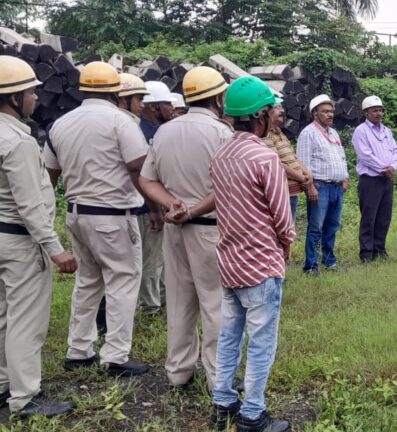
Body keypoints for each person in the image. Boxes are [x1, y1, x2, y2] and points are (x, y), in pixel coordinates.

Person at [45, 61, 151, 377]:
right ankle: (116, 356)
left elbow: (49, 174)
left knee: (88, 282)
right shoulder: (121, 122)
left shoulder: (61, 123)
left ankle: (78, 350)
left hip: (77, 214)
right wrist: (155, 207)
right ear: (116, 91)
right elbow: (138, 167)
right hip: (114, 215)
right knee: (122, 281)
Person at [138, 66, 232, 391]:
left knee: (179, 301)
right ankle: (220, 377)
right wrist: (190, 210)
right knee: (216, 301)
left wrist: (171, 204)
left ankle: (178, 371)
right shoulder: (222, 134)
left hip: (174, 230)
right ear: (219, 97)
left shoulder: (164, 131)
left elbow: (146, 179)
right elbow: (227, 188)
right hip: (209, 228)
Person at [209, 76, 294, 432]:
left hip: (229, 262)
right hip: (261, 263)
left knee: (230, 335)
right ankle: (253, 413)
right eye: (270, 111)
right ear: (259, 115)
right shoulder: (265, 157)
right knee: (261, 341)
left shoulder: (221, 155)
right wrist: (287, 242)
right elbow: (281, 213)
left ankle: (223, 402)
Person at [0, 55, 77, 418]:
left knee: (2, 317)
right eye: (29, 92)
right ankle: (26, 397)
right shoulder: (18, 142)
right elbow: (30, 204)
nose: (35, 98)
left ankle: (4, 386)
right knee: (26, 322)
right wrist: (55, 249)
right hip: (19, 242)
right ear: (13, 98)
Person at [138, 81, 178, 314]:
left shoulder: (158, 131)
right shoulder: (146, 132)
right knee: (151, 258)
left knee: (160, 257)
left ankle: (162, 299)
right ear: (154, 107)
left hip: (157, 202)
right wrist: (155, 207)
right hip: (147, 205)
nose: (171, 108)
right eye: (167, 104)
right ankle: (150, 306)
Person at [297, 95, 348, 272]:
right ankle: (311, 266)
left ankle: (329, 261)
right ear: (315, 113)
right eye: (325, 111)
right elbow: (303, 163)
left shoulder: (333, 133)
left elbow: (341, 156)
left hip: (336, 186)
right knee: (316, 227)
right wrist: (309, 186)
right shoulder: (308, 133)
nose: (330, 114)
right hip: (319, 186)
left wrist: (345, 177)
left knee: (332, 226)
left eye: (331, 111)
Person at [352, 96, 397, 263]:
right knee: (369, 217)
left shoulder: (386, 131)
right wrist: (384, 169)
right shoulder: (361, 131)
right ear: (366, 113)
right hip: (370, 180)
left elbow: (396, 152)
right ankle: (366, 253)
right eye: (375, 110)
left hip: (386, 180)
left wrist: (392, 167)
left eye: (380, 110)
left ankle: (380, 250)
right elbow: (365, 156)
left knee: (384, 217)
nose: (379, 113)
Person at [263, 101, 310, 217]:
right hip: (281, 193)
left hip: (292, 193)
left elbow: (293, 157)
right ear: (267, 113)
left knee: (289, 229)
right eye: (278, 108)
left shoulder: (280, 133)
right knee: (284, 232)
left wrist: (308, 175)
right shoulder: (265, 135)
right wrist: (301, 177)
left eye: (282, 107)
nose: (282, 111)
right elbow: (276, 164)